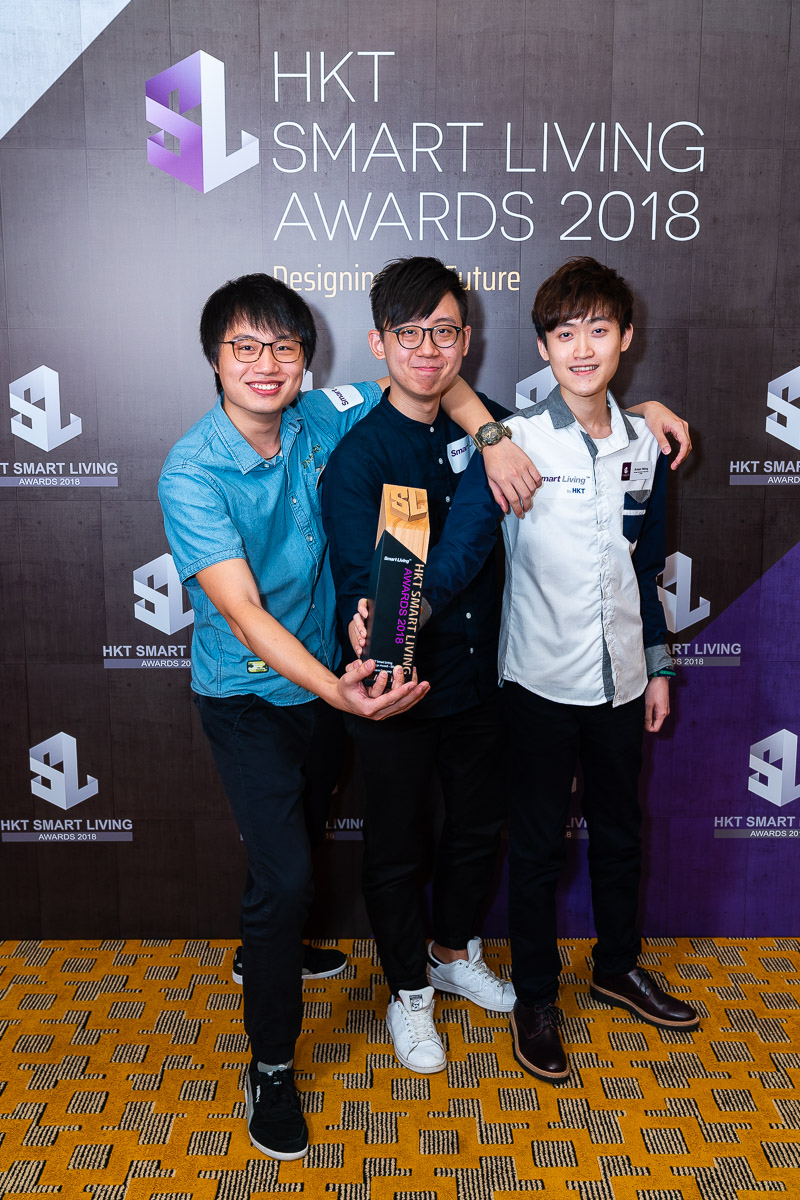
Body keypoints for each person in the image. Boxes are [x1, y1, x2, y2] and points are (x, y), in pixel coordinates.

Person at [157, 273, 540, 1160]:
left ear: (308, 359)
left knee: (313, 827)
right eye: (244, 348)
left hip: (337, 677)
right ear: (213, 359)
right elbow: (243, 613)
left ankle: (281, 947)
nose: (266, 364)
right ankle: (271, 1068)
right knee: (286, 876)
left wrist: (492, 438)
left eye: (284, 347)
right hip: (253, 693)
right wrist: (339, 691)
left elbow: (432, 376)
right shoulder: (192, 472)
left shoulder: (320, 417)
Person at [322, 256, 693, 1076]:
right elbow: (442, 545)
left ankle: (567, 963)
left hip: (528, 682)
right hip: (461, 682)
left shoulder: (555, 434)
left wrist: (658, 661)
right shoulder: (491, 438)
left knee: (541, 833)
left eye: (601, 331)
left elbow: (643, 563)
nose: (583, 347)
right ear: (380, 342)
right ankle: (456, 995)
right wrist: (392, 615)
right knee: (440, 846)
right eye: (566, 334)